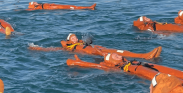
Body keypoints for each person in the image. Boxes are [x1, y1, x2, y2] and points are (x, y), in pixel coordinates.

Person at [67, 52, 183, 93]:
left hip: (145, 65)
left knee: (177, 71)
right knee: (166, 77)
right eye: (115, 56)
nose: (118, 56)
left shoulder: (127, 60)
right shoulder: (112, 67)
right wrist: (77, 62)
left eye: (117, 54)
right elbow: (95, 66)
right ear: (110, 61)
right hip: (140, 71)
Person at [29, 33, 161, 60]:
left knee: (119, 50)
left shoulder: (81, 42)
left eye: (75, 36)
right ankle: (144, 57)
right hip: (93, 53)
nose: (75, 38)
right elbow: (53, 49)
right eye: (72, 37)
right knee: (114, 56)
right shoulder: (68, 47)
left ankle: (143, 55)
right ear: (69, 40)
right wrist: (37, 48)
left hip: (99, 48)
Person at [27, 1, 96, 10]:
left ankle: (89, 7)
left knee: (72, 6)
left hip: (53, 5)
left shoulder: (37, 5)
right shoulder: (34, 8)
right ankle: (89, 7)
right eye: (34, 3)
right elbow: (28, 10)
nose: (36, 2)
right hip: (52, 7)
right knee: (72, 7)